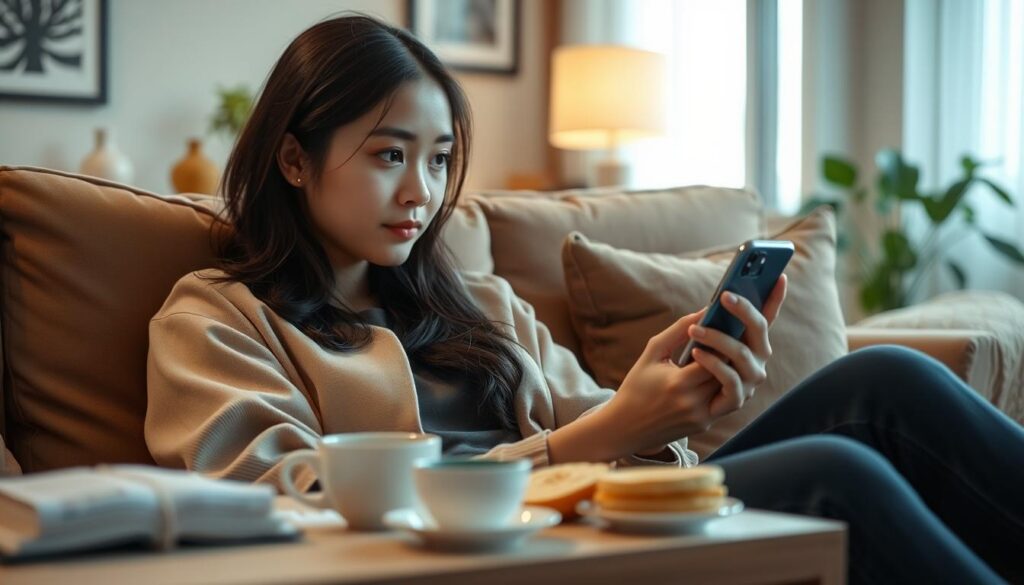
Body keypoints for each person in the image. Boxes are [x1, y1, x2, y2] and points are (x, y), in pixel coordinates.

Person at [145, 14, 1023, 584]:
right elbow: (290, 508)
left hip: (598, 525)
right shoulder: (217, 319)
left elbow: (624, 451)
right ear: (294, 160)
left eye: (441, 158)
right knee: (841, 472)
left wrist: (662, 405)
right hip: (484, 562)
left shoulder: (476, 299)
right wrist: (603, 434)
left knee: (887, 384)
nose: (421, 189)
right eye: (389, 154)